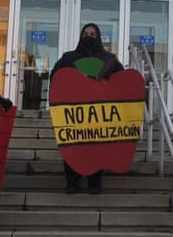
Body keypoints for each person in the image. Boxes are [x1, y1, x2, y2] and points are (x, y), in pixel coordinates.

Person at [50, 22, 124, 194]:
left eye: (92, 34)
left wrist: (107, 83)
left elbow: (120, 80)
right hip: (73, 111)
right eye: (86, 34)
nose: (88, 37)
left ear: (98, 37)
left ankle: (94, 183)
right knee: (72, 147)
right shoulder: (68, 58)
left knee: (96, 147)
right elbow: (56, 77)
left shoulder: (109, 60)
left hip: (98, 112)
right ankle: (72, 183)